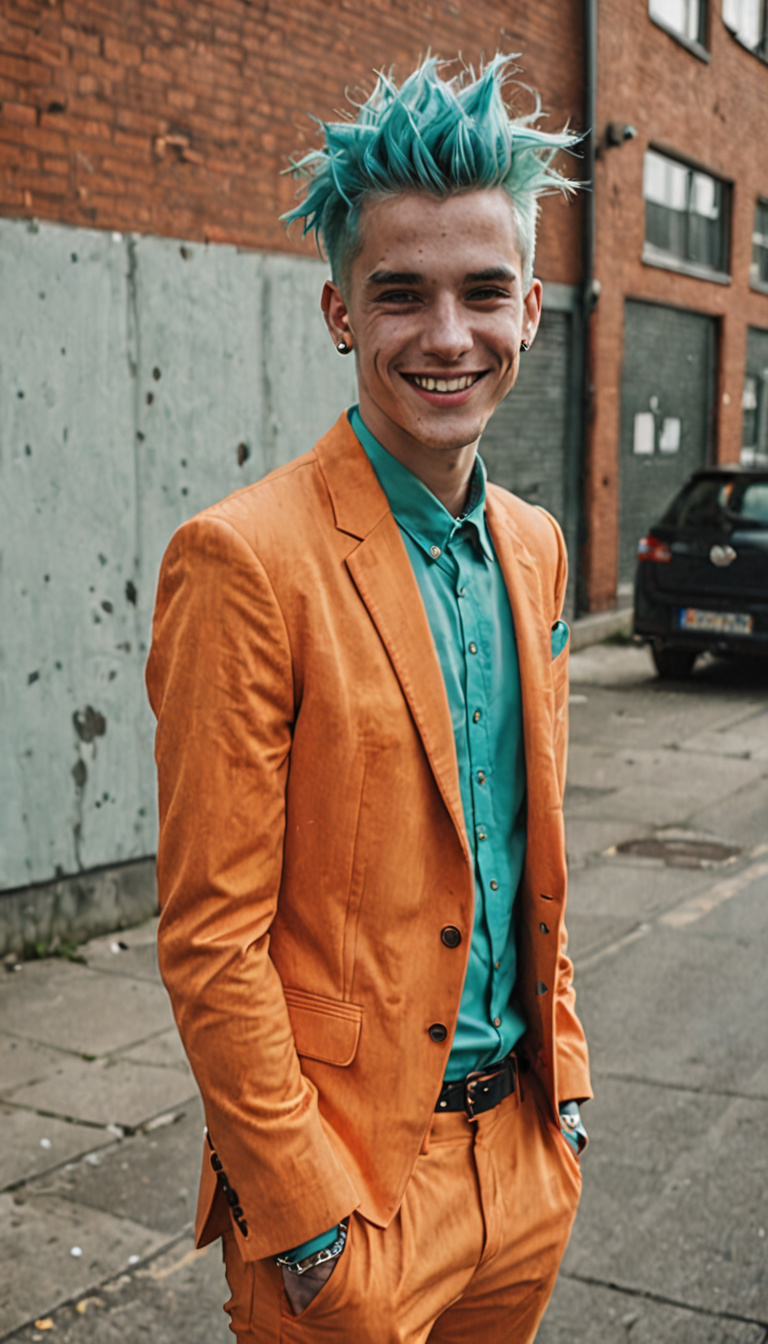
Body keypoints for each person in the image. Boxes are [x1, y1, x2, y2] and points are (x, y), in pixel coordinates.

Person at [146, 53, 591, 1344]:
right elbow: (212, 939)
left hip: (522, 1166)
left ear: (531, 309)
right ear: (342, 312)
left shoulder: (538, 547)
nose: (447, 336)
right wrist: (304, 1219)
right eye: (402, 294)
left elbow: (528, 842)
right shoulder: (243, 561)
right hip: (348, 1197)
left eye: (483, 291)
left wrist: (565, 1090)